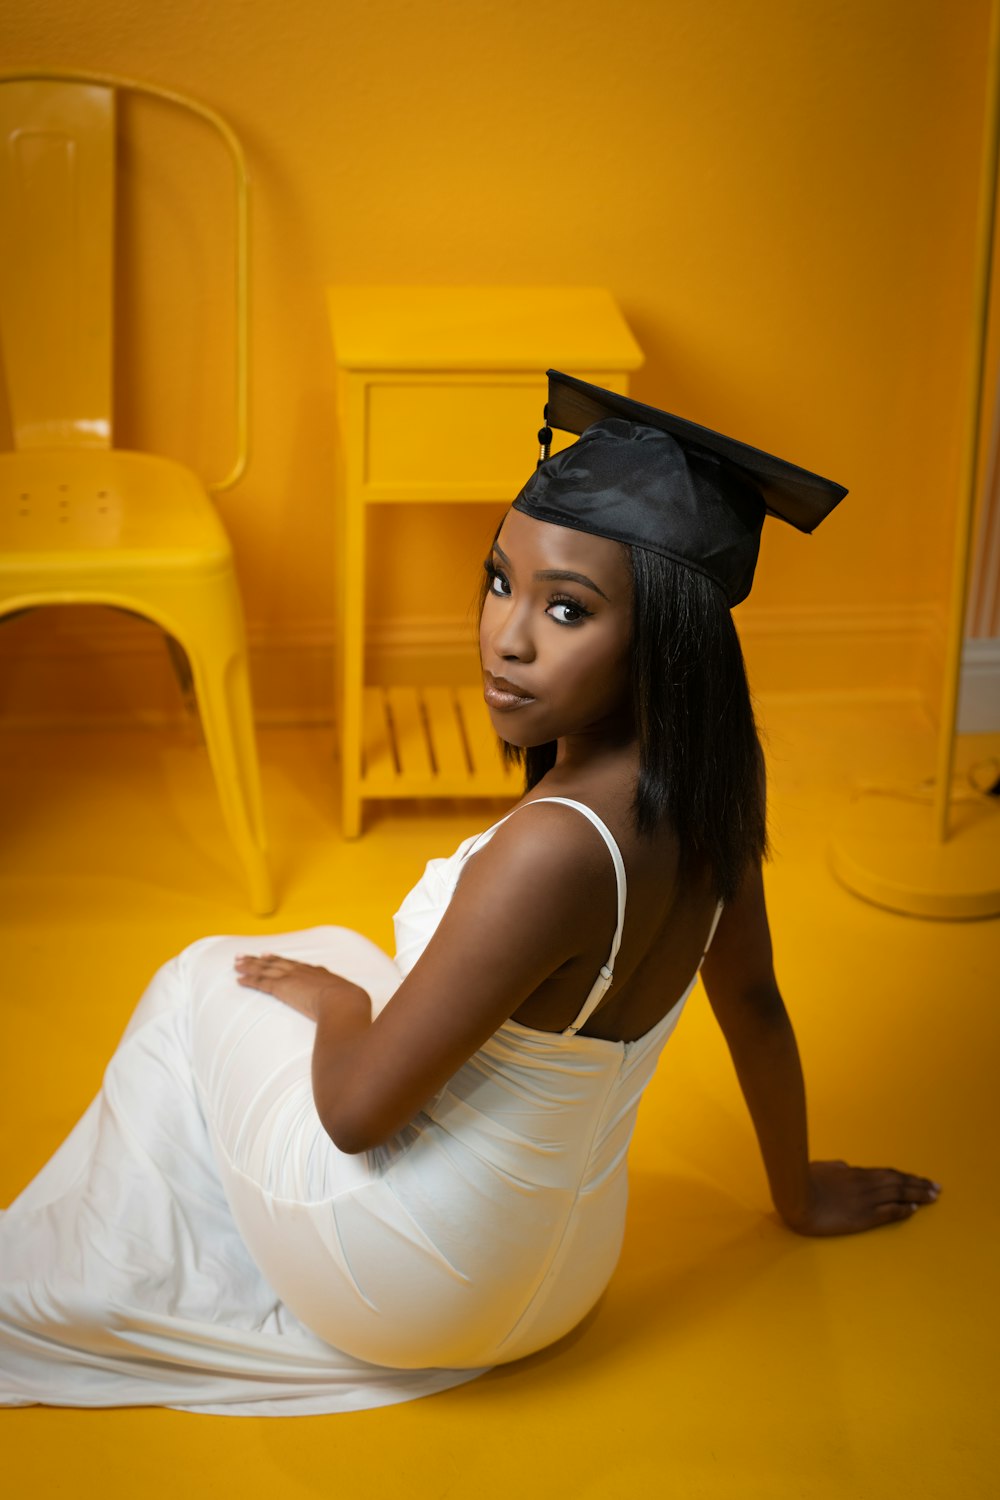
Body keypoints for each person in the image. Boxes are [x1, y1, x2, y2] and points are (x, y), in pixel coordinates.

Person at [0, 372, 939, 1416]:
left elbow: (355, 1115)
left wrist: (334, 1005)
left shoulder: (553, 852)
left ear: (662, 641)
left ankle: (112, 1272)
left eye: (567, 609)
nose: (508, 636)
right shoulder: (717, 782)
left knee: (204, 979)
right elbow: (753, 1001)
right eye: (501, 581)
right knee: (328, 945)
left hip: (411, 1285)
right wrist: (798, 1193)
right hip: (559, 1279)